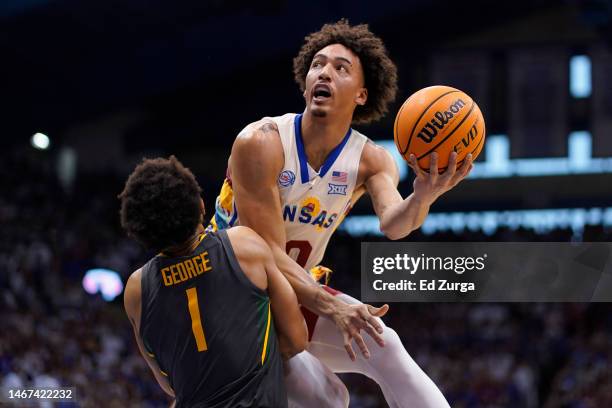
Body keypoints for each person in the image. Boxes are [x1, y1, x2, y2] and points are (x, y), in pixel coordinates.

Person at [207, 20, 473, 407]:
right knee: (329, 397)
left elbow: (394, 225)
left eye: (340, 68)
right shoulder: (260, 142)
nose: (324, 72)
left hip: (291, 292)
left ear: (362, 94)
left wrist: (423, 197)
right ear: (304, 81)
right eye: (317, 65)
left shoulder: (371, 159)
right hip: (228, 293)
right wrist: (332, 305)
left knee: (380, 345)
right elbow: (264, 249)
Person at [120, 156, 307, 407]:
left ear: (140, 231)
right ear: (200, 205)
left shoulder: (136, 289)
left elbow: (169, 385)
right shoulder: (242, 245)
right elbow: (297, 339)